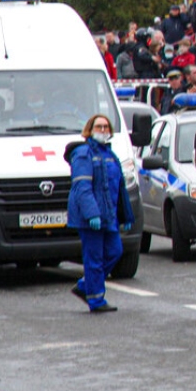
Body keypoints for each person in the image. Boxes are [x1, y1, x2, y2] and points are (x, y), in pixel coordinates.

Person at [64, 114, 133, 313]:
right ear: (90, 129)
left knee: (115, 251)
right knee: (94, 258)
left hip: (108, 215)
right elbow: (82, 187)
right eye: (99, 127)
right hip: (91, 218)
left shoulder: (110, 155)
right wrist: (91, 214)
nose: (103, 130)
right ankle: (95, 300)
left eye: (106, 127)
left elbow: (119, 189)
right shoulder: (83, 153)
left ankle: (87, 286)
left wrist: (126, 215)